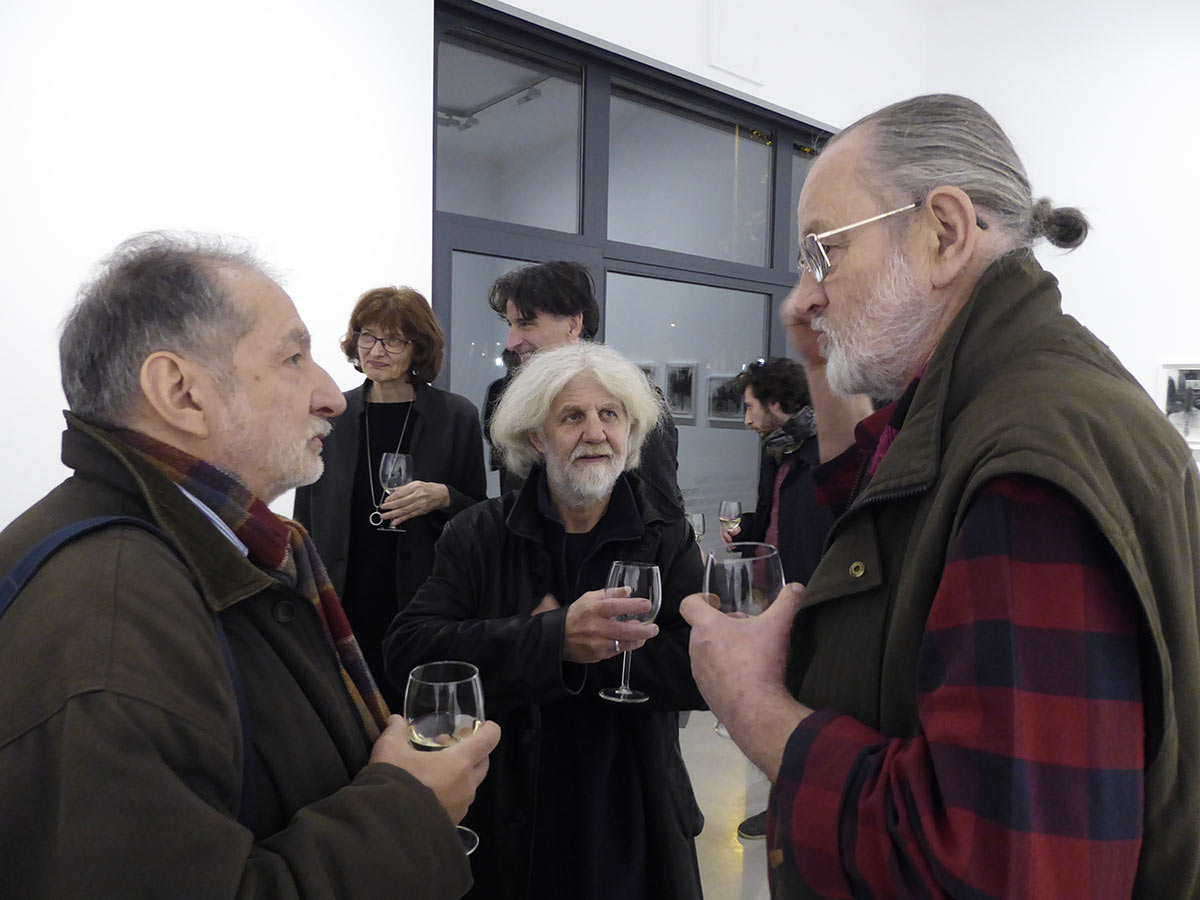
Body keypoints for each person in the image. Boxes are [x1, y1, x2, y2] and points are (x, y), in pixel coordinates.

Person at [681, 93, 1200, 899]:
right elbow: (901, 509)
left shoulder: (1026, 464)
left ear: (944, 233)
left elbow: (996, 871)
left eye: (822, 252)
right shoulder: (1003, 402)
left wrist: (753, 703)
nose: (806, 296)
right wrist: (823, 369)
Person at [0, 233, 500, 899]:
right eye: (295, 357)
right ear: (181, 391)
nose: (330, 393)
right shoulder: (113, 620)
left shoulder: (217, 552)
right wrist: (409, 809)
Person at [385, 342, 706, 900]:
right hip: (507, 805)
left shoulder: (667, 535)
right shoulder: (478, 533)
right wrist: (551, 640)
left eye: (611, 415)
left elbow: (700, 666)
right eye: (572, 416)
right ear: (536, 436)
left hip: (629, 806)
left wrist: (584, 651)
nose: (595, 432)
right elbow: (409, 652)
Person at [293, 285, 486, 707]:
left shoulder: (456, 417)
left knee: (415, 709)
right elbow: (305, 513)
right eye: (367, 335)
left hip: (422, 594)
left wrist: (444, 496)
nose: (376, 350)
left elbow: (480, 514)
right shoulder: (332, 414)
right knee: (348, 709)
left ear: (418, 349)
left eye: (393, 339)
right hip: (344, 591)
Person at [719, 357, 849, 842]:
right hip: (771, 592)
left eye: (752, 407)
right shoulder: (777, 450)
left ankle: (801, 807)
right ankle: (781, 801)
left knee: (805, 704)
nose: (747, 419)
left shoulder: (826, 451)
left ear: (778, 404)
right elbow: (772, 514)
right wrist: (744, 532)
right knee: (781, 696)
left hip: (810, 596)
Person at [483, 260, 684, 512]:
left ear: (573, 324)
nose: (511, 342)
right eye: (510, 325)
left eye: (526, 323)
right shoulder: (514, 397)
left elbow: (661, 508)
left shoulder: (630, 395)